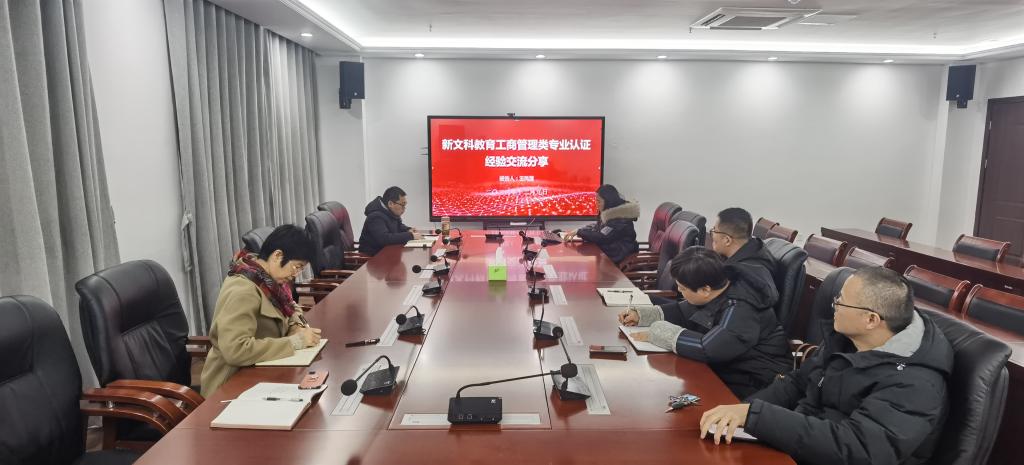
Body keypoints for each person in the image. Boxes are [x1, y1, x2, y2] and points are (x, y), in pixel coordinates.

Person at [699, 267, 953, 465]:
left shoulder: (916, 384)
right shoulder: (848, 339)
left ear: (871, 319)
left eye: (841, 302)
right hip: (802, 449)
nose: (834, 307)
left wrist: (757, 417)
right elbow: (797, 383)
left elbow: (857, 448)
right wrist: (742, 412)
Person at [621, 247, 790, 398]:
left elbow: (708, 348)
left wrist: (657, 331)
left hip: (755, 383)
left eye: (682, 288)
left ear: (705, 290)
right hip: (727, 368)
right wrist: (642, 316)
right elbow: (682, 311)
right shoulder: (721, 285)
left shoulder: (742, 307)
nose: (679, 291)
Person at [200, 225, 323, 397]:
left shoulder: (270, 281)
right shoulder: (244, 290)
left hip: (260, 372)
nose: (296, 274)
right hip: (230, 387)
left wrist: (296, 325)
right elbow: (236, 350)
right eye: (297, 267)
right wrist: (296, 341)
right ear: (277, 255)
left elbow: (291, 306)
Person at [563, 184, 639, 264]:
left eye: (599, 201)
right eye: (596, 201)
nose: (596, 204)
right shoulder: (609, 212)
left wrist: (579, 232)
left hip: (620, 259)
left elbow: (603, 236)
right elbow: (598, 228)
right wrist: (580, 231)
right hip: (611, 254)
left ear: (608, 201)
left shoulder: (620, 217)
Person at [710, 207, 775, 278]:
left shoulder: (738, 276)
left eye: (714, 230)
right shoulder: (757, 249)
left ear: (727, 240)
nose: (712, 233)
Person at [358, 186, 423, 256]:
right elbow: (384, 239)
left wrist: (408, 229)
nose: (404, 208)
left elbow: (399, 226)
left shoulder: (390, 212)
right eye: (402, 205)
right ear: (390, 204)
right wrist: (410, 236)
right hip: (373, 258)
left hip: (387, 253)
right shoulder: (375, 217)